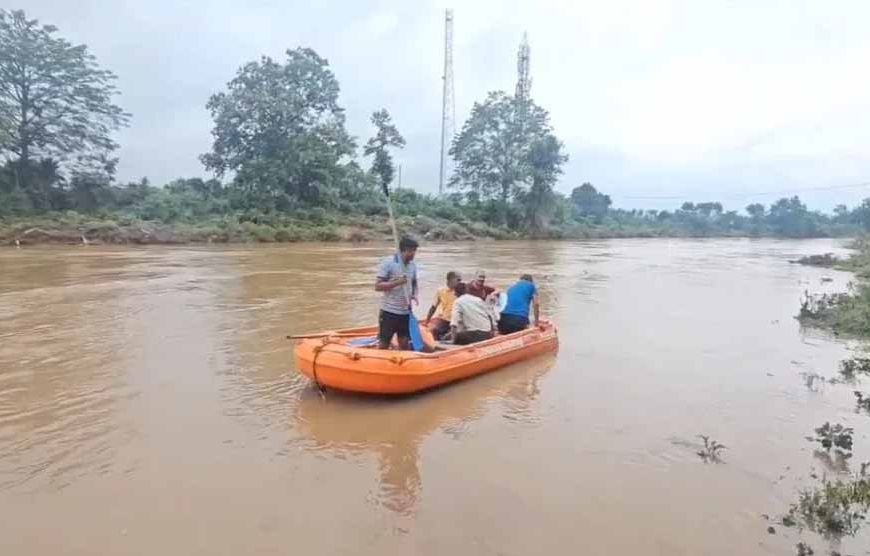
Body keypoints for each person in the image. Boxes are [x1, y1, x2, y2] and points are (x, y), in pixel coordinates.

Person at [375, 237, 419, 350]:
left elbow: (414, 282)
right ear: (402, 251)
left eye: (414, 251)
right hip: (389, 311)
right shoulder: (388, 263)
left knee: (404, 342)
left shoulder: (412, 265)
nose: (413, 254)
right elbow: (378, 286)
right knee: (384, 343)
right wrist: (397, 282)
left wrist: (414, 294)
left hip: (405, 311)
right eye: (410, 251)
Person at [425, 270, 461, 340]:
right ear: (450, 280)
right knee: (435, 331)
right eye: (458, 280)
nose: (460, 282)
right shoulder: (440, 291)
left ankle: (448, 336)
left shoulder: (460, 291)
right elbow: (433, 307)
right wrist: (427, 321)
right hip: (445, 320)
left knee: (455, 335)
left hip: (457, 321)